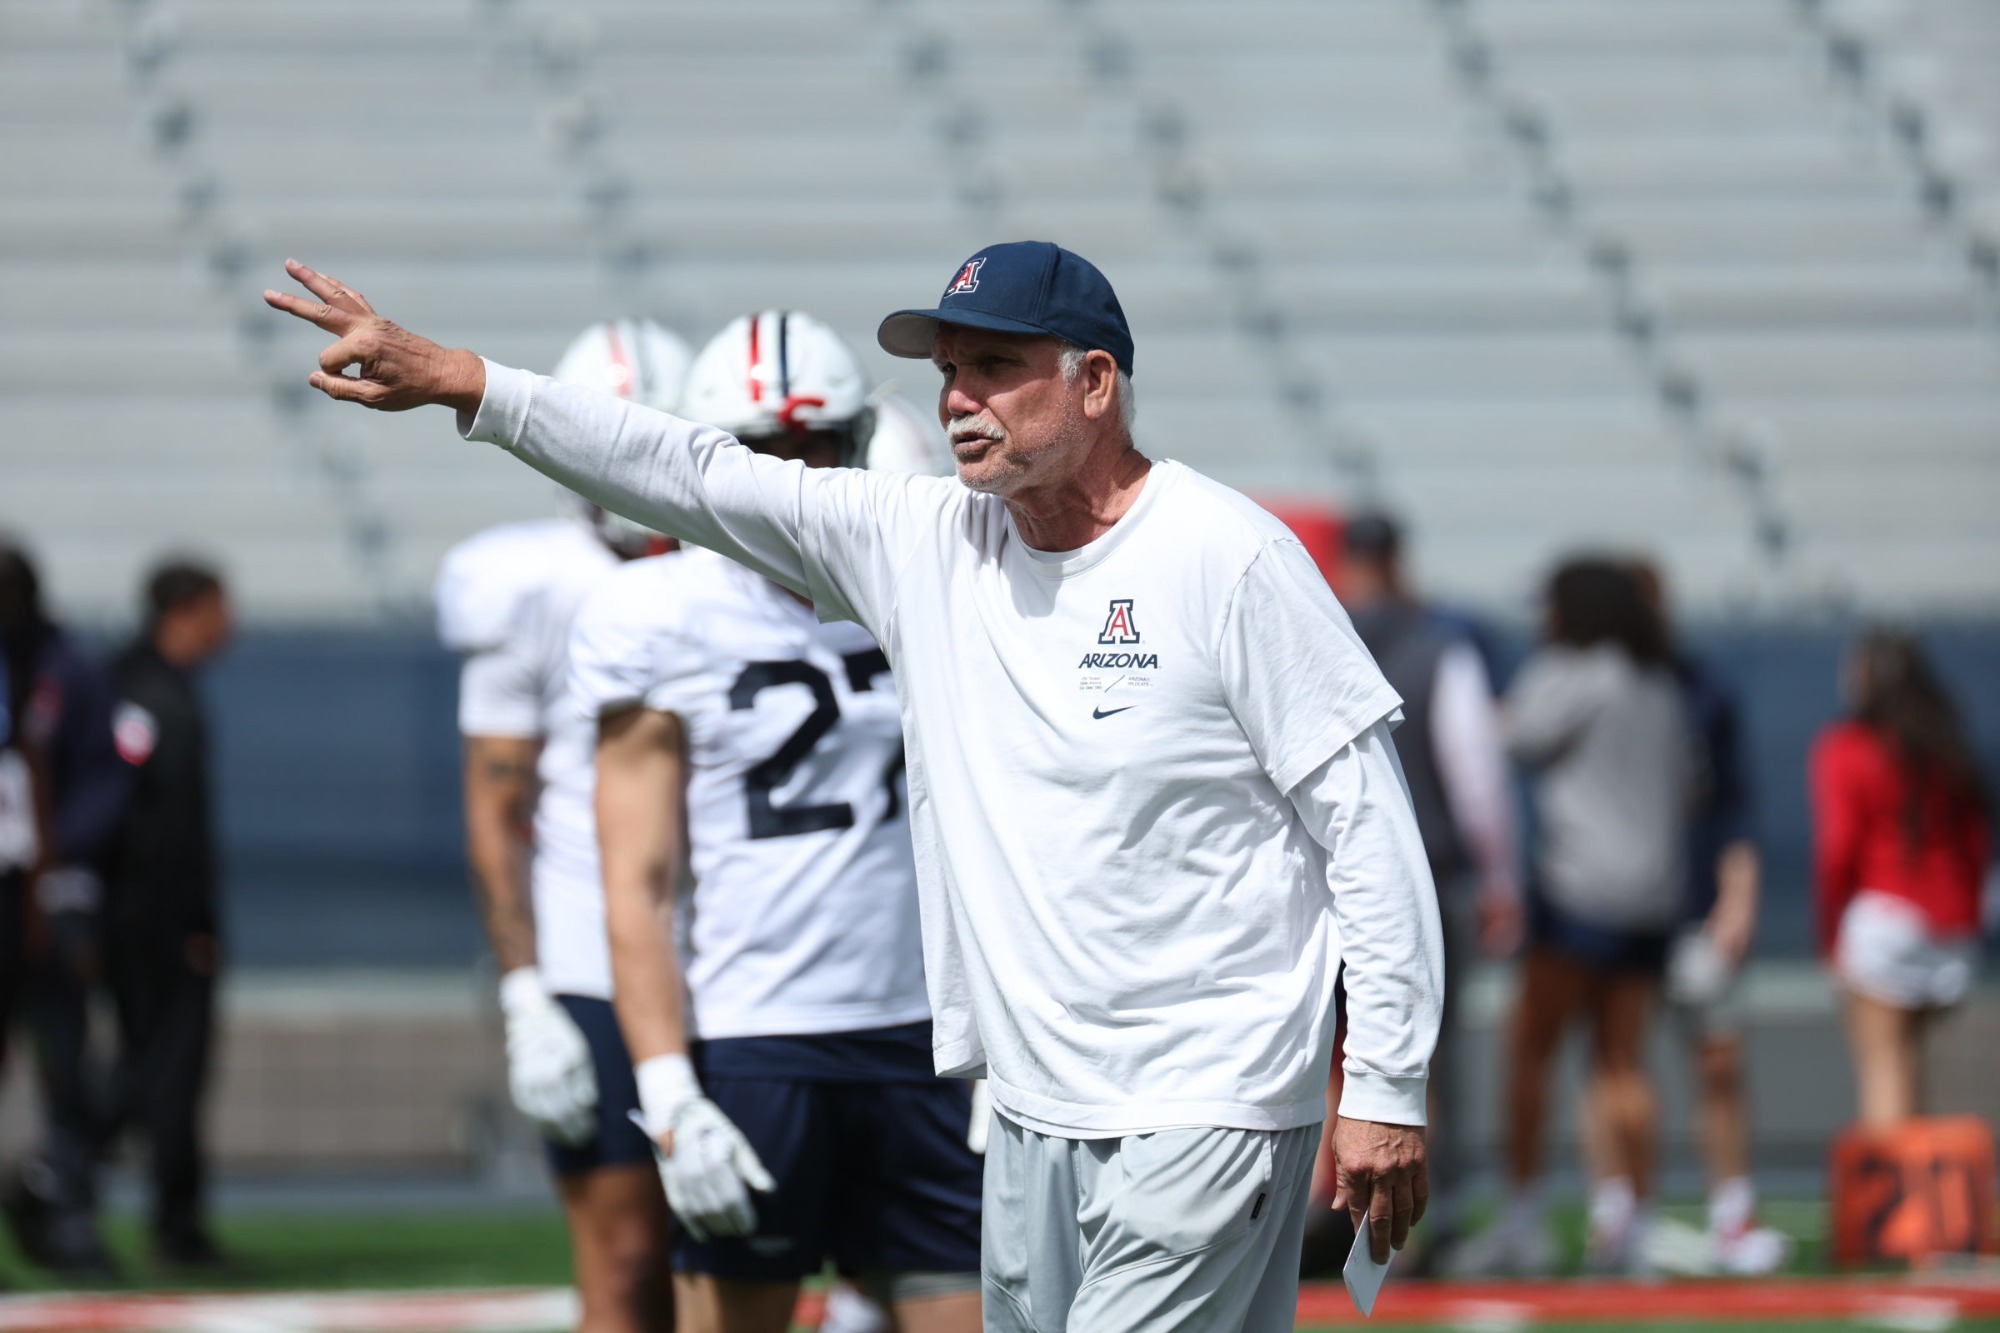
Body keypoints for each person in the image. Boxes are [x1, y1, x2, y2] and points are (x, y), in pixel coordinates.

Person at [267, 241, 1443, 1333]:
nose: (956, 399)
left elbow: (1366, 829)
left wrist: (1384, 1081)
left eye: (994, 367)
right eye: (945, 371)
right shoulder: (927, 541)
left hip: (1209, 1095)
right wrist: (466, 382)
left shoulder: (1224, 555)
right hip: (1033, 1105)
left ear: (1095, 382)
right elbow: (689, 472)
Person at [571, 311, 983, 1333]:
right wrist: (667, 1092)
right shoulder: (656, 612)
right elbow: (637, 883)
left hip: (921, 1042)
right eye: (765, 451)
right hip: (758, 1040)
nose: (793, 475)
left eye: (815, 446)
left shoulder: (920, 578)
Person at [435, 319, 689, 1333]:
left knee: (726, 1252)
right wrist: (526, 992)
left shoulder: (738, 557)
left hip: (738, 946)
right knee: (626, 1258)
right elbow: (496, 806)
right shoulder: (531, 585)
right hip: (593, 949)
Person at [1451, 558, 1689, 1277]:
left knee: (1532, 1051)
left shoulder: (1576, 673)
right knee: (1623, 1064)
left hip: (1581, 892)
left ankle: (1523, 1218)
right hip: (1652, 897)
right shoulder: (1658, 683)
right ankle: (1631, 1221)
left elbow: (1508, 735)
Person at [1335, 512, 1518, 1270]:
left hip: (1327, 879)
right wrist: (1501, 879)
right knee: (1420, 1056)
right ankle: (1408, 1227)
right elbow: (1475, 777)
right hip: (1421, 881)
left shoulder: (1318, 634)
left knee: (1330, 1055)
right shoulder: (1441, 646)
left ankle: (1333, 1214)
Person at [1614, 561, 1786, 1276]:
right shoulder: (1597, 688)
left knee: (1717, 1060)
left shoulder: (1701, 687)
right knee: (1617, 1069)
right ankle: (1622, 1214)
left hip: (1690, 909)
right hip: (1619, 909)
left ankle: (1731, 1209)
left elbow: (1733, 801)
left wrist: (1739, 894)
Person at [91, 560, 235, 1266]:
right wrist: (193, 921)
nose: (229, 623)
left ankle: (71, 1173)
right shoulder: (156, 696)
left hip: (128, 910)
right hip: (159, 918)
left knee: (151, 1061)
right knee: (167, 1066)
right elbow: (164, 829)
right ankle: (72, 1172)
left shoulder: (125, 682)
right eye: (220, 606)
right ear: (188, 609)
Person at [0, 542, 130, 1279]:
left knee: (66, 1065)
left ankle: (67, 1209)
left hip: (52, 895)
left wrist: (59, 862)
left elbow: (100, 780)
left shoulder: (68, 671)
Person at [1812, 628, 1989, 1129]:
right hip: (1953, 933)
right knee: (1917, 1071)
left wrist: (1829, 939)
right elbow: (1976, 844)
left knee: (1883, 1070)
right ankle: (1930, 1195)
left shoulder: (1845, 748)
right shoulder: (1947, 747)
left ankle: (1893, 1201)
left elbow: (1836, 851)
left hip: (1884, 927)